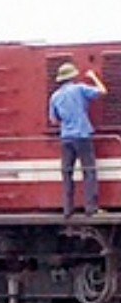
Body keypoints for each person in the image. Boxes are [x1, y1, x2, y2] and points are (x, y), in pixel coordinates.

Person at [49, 63, 109, 217]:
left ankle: (67, 210)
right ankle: (91, 208)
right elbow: (103, 91)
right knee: (89, 171)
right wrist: (93, 76)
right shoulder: (80, 89)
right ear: (73, 76)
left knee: (67, 173)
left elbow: (54, 120)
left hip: (66, 138)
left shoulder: (54, 96)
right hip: (82, 135)